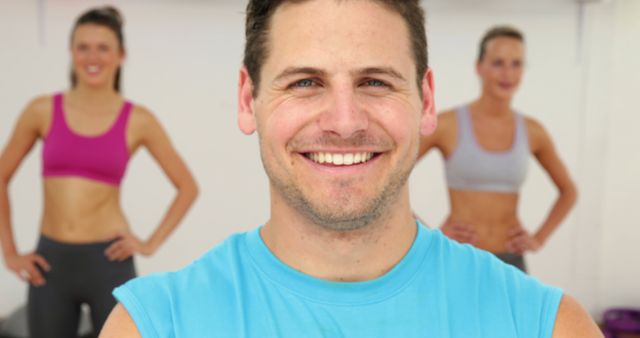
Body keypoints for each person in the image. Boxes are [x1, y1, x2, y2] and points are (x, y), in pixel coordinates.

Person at [100, 1, 600, 337]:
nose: (344, 123)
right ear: (248, 100)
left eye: (376, 82)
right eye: (304, 83)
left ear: (425, 101)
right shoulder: (151, 327)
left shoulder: (551, 327)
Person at [0, 6, 198, 338]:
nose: (92, 56)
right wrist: (10, 253)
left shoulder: (138, 120)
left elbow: (187, 187)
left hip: (108, 263)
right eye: (83, 47)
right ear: (72, 52)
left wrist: (148, 244)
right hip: (51, 264)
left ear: (120, 55)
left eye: (103, 48)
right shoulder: (41, 111)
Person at [417, 26, 578, 272]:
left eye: (516, 64)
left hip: (511, 260)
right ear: (479, 67)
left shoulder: (533, 131)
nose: (508, 74)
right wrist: (428, 236)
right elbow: (390, 176)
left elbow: (569, 191)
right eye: (498, 63)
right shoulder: (447, 125)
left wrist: (538, 238)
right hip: (460, 257)